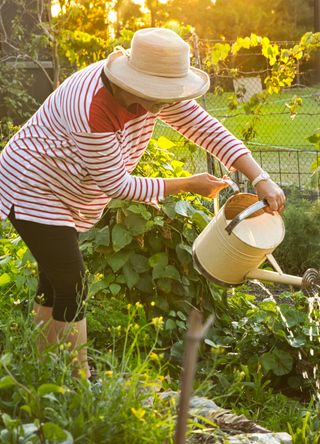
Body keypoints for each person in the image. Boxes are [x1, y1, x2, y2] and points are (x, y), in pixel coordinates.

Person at [0, 27, 285, 379]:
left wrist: (260, 178)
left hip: (65, 189)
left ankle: (43, 367)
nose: (164, 104)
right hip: (32, 186)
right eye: (158, 96)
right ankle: (78, 381)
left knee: (55, 278)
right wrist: (187, 185)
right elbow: (116, 183)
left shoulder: (152, 89)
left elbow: (206, 129)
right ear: (133, 80)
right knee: (72, 282)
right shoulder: (93, 108)